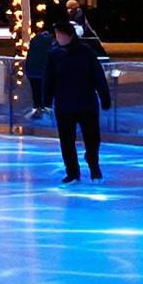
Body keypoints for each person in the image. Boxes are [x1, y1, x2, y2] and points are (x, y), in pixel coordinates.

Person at [46, 21, 112, 184]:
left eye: (60, 34)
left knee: (92, 139)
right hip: (64, 105)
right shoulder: (53, 55)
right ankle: (72, 172)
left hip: (86, 103)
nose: (58, 37)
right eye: (57, 34)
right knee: (67, 141)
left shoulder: (86, 52)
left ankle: (94, 166)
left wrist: (105, 97)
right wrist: (46, 101)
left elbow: (98, 76)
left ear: (69, 35)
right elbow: (48, 80)